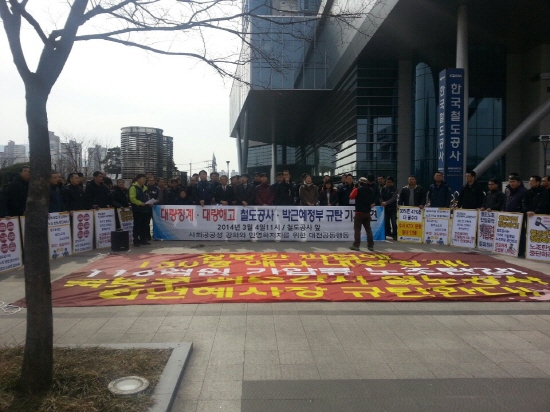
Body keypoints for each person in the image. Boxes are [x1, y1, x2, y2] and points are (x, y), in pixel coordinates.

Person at [349, 177, 375, 252]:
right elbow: (372, 199)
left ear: (360, 183)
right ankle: (370, 246)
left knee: (357, 230)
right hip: (367, 212)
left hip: (359, 213)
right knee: (368, 229)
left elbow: (351, 197)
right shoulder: (370, 190)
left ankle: (356, 245)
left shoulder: (357, 189)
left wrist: (354, 188)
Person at [129, 174, 152, 247]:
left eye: (145, 179)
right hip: (137, 209)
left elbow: (147, 197)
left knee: (144, 225)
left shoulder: (145, 188)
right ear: (138, 179)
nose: (144, 180)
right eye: (143, 179)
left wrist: (150, 202)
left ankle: (143, 239)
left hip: (145, 209)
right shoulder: (133, 187)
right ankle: (136, 240)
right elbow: (132, 198)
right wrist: (140, 203)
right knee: (137, 225)